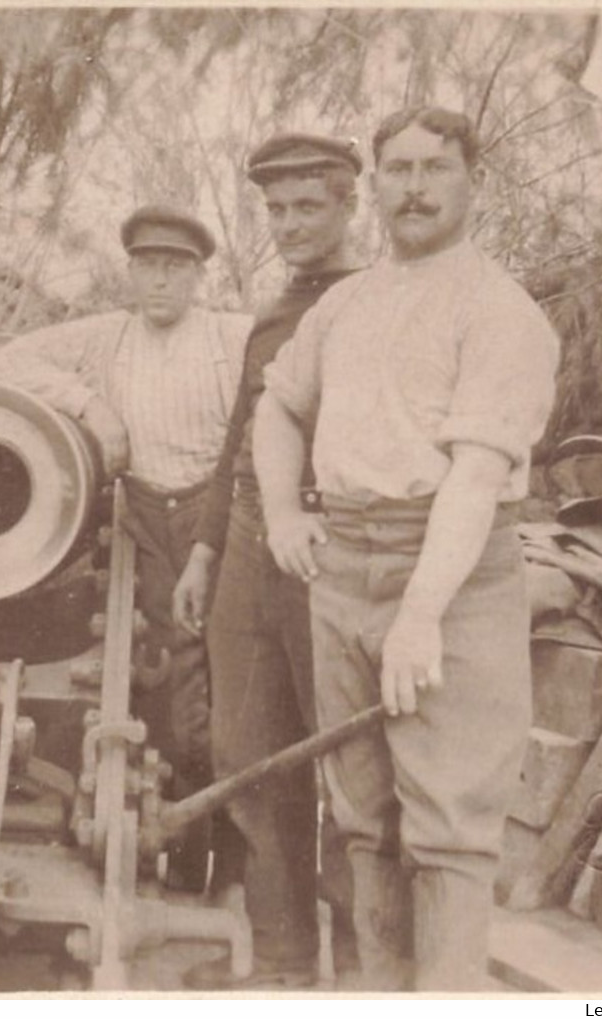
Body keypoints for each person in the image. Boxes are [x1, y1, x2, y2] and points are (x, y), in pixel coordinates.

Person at [254, 107, 559, 991]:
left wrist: (421, 614)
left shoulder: (500, 311)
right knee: (362, 813)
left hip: (451, 572)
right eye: (397, 170)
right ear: (374, 185)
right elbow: (277, 405)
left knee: (450, 826)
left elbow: (474, 475)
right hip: (342, 562)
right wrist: (281, 511)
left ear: (472, 182)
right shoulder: (345, 303)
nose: (414, 189)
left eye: (434, 168)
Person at [0, 204, 253, 891]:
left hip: (215, 515)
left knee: (232, 687)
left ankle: (238, 868)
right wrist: (89, 405)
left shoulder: (230, 337)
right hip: (141, 515)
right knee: (164, 690)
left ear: (197, 275)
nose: (159, 280)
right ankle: (183, 865)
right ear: (129, 271)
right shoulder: (109, 339)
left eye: (174, 267)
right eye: (146, 265)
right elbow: (9, 359)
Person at [172, 133, 366, 989]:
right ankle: (282, 965)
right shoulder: (274, 310)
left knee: (348, 766)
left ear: (347, 206)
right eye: (276, 209)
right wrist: (206, 550)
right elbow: (236, 443)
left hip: (335, 542)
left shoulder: (373, 303)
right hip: (250, 541)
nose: (288, 225)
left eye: (307, 207)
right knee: (245, 749)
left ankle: (367, 972)